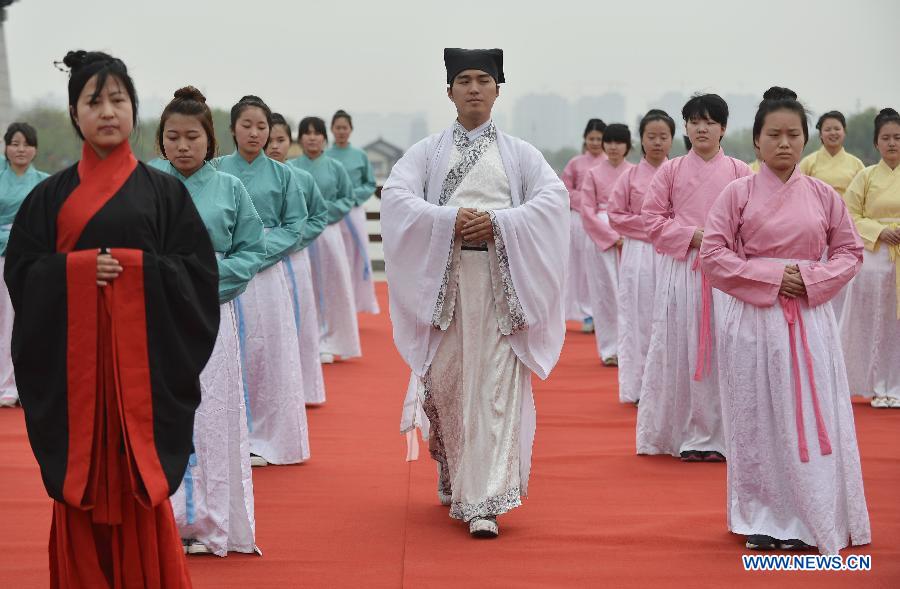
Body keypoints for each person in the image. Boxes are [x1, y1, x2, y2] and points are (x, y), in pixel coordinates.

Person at [4, 50, 219, 587]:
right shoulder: (48, 197)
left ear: (133, 109)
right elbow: (22, 275)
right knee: (82, 483)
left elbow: (196, 274)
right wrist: (75, 272)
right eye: (93, 101)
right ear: (75, 112)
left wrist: (133, 268)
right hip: (76, 383)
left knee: (135, 480)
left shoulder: (164, 193)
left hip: (139, 382)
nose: (107, 112)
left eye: (118, 100)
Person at [383, 48, 569, 538]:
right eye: (462, 80)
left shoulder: (521, 154)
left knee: (494, 391)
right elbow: (396, 199)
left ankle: (484, 499)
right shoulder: (426, 153)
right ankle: (456, 474)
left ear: (497, 90)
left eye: (482, 80)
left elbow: (554, 201)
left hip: (501, 287)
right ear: (449, 91)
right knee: (448, 386)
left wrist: (500, 223)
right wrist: (447, 221)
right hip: (445, 290)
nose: (472, 89)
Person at [701, 87, 870, 554]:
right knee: (756, 415)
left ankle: (817, 512)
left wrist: (811, 278)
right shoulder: (736, 194)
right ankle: (762, 516)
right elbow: (713, 256)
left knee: (811, 414)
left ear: (805, 140)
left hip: (810, 321)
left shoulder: (821, 194)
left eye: (793, 135)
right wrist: (772, 277)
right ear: (755, 142)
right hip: (754, 319)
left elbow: (850, 251)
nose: (783, 143)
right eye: (772, 135)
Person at [151, 87, 265, 556]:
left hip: (213, 313)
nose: (182, 146)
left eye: (192, 136)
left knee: (213, 417)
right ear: (161, 140)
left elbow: (251, 250)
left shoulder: (230, 188)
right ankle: (165, 521)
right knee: (162, 417)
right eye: (173, 136)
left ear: (209, 140)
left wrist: (205, 282)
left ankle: (212, 524)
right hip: (157, 315)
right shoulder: (145, 184)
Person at [637, 93, 752, 462]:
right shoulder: (670, 171)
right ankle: (686, 434)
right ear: (685, 127)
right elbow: (651, 219)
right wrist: (692, 235)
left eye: (710, 121)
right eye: (694, 121)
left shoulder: (739, 171)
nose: (702, 128)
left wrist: (723, 242)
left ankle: (724, 436)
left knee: (726, 350)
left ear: (723, 128)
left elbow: (754, 221)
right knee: (682, 348)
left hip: (728, 274)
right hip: (684, 272)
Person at [216, 96, 310, 467]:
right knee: (225, 352)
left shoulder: (284, 175)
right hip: (224, 273)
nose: (254, 133)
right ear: (232, 129)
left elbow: (295, 224)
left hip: (267, 276)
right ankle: (226, 437)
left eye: (261, 126)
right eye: (246, 125)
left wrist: (257, 253)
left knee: (268, 353)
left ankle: (269, 438)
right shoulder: (216, 171)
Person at [608, 110, 674, 403]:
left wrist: (666, 230)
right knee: (638, 317)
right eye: (651, 137)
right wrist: (654, 226)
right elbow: (615, 215)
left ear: (673, 138)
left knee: (671, 318)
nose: (657, 142)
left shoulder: (680, 173)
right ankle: (638, 387)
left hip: (672, 253)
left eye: (663, 136)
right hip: (639, 253)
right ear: (642, 140)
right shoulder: (630, 176)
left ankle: (668, 389)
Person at [267, 113, 329, 405]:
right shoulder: (235, 178)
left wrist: (295, 239)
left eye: (280, 140)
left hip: (295, 259)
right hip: (261, 262)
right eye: (269, 140)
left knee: (300, 320)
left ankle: (304, 389)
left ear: (289, 142)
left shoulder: (301, 178)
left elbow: (319, 216)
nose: (274, 146)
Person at [840, 107, 900, 408]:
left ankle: (897, 384)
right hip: (876, 258)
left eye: (898, 138)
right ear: (876, 143)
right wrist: (878, 231)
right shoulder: (865, 176)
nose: (892, 143)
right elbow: (849, 214)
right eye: (886, 138)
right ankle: (878, 385)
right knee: (877, 323)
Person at [288, 117, 361, 362]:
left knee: (331, 285)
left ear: (324, 137)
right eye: (306, 133)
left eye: (316, 133)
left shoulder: (335, 168)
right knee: (302, 285)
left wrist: (322, 212)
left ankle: (330, 339)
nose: (311, 137)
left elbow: (347, 199)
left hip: (329, 234)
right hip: (299, 235)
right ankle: (303, 339)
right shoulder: (290, 167)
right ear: (300, 138)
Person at [800, 111, 866, 321]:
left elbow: (861, 200)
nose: (833, 133)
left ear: (844, 132)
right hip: (817, 226)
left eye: (837, 128)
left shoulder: (856, 165)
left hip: (845, 225)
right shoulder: (809, 162)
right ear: (820, 134)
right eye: (827, 129)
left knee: (844, 278)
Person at [0, 122, 48, 407]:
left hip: (29, 259)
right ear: (6, 147)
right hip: (1, 255)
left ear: (35, 149)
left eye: (26, 144)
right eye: (14, 143)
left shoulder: (44, 181)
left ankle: (19, 383)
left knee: (23, 320)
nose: (20, 149)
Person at [578, 123, 635, 365]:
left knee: (632, 294)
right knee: (604, 293)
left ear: (628, 146)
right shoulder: (593, 173)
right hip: (600, 239)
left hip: (631, 238)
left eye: (618, 142)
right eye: (609, 142)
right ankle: (610, 349)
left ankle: (632, 349)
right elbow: (586, 211)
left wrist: (628, 234)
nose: (613, 147)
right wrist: (611, 236)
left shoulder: (634, 172)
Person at [326, 110, 380, 314]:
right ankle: (334, 305)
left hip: (354, 211)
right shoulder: (325, 156)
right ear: (332, 129)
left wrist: (352, 197)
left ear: (350, 130)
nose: (341, 131)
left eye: (344, 128)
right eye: (337, 127)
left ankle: (357, 304)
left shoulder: (360, 155)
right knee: (334, 257)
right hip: (331, 214)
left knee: (357, 257)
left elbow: (370, 183)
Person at [561, 119, 606, 332]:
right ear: (585, 140)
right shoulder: (575, 163)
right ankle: (586, 313)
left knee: (601, 268)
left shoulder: (611, 162)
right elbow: (564, 191)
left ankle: (603, 313)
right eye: (592, 139)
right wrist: (587, 202)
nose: (595, 142)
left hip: (604, 222)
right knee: (580, 268)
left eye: (599, 139)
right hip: (578, 221)